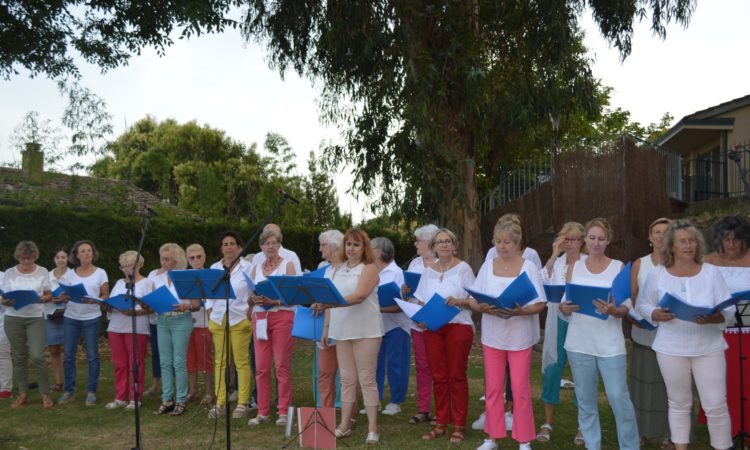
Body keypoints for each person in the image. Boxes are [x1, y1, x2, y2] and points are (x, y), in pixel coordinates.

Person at [637, 219, 734, 450]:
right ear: (671, 246)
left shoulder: (711, 273)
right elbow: (643, 304)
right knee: (679, 403)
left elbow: (728, 308)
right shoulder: (658, 274)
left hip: (709, 347)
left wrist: (715, 317)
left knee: (716, 404)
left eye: (692, 241)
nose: (688, 246)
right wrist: (656, 314)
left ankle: (722, 446)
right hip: (671, 348)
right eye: (682, 241)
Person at [560, 218, 639, 450]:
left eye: (601, 238)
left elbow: (626, 306)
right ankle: (592, 446)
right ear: (585, 239)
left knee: (618, 398)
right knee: (586, 402)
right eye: (592, 238)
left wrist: (615, 310)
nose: (595, 243)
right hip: (578, 342)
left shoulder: (619, 267)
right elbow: (566, 301)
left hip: (610, 344)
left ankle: (630, 446)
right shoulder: (574, 267)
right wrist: (564, 307)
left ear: (608, 241)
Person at [471, 218, 546, 450]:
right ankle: (492, 437)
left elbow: (540, 303)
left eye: (508, 242)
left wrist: (520, 311)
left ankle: (524, 439)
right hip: (492, 336)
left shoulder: (529, 267)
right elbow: (474, 299)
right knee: (493, 389)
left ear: (517, 243)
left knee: (520, 388)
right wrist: (481, 306)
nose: (502, 246)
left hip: (519, 337)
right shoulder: (487, 266)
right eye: (498, 242)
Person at [318, 228, 383, 445]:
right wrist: (327, 328)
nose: (351, 248)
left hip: (366, 330)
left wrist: (330, 302)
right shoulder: (336, 270)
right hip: (342, 330)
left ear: (364, 248)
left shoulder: (370, 269)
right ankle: (344, 425)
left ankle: (373, 428)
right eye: (348, 244)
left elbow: (360, 295)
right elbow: (329, 300)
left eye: (356, 245)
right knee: (346, 380)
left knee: (366, 379)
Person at [415, 228, 476, 444]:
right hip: (432, 328)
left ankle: (459, 425)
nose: (444, 245)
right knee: (439, 377)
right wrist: (419, 317)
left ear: (455, 244)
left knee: (456, 376)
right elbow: (420, 301)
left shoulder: (463, 269)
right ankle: (441, 422)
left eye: (448, 241)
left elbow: (474, 300)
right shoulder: (428, 271)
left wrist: (458, 301)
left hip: (458, 326)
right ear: (433, 246)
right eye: (439, 242)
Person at [536, 222, 587, 444]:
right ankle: (547, 422)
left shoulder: (588, 262)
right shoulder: (556, 263)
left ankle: (582, 425)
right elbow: (540, 282)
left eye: (575, 239)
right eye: (565, 239)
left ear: (582, 241)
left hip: (582, 321)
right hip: (557, 319)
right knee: (552, 368)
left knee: (581, 371)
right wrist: (554, 254)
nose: (570, 243)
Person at [704, 215, 750, 442]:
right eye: (726, 239)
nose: (731, 244)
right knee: (722, 382)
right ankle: (726, 432)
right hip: (718, 332)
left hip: (748, 333)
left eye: (736, 239)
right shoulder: (708, 261)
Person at [629, 218, 673, 449]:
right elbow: (631, 298)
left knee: (670, 385)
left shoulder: (680, 263)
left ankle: (669, 433)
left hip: (673, 336)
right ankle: (641, 431)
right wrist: (634, 318)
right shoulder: (640, 263)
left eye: (666, 232)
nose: (660, 236)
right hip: (645, 332)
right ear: (649, 236)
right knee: (643, 385)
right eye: (656, 232)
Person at [247, 228, 297, 426]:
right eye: (267, 243)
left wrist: (273, 301)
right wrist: (253, 299)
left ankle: (283, 411)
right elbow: (249, 298)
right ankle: (263, 411)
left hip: (282, 317)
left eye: (274, 242)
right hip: (259, 317)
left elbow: (293, 297)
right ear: (261, 247)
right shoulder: (256, 267)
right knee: (261, 367)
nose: (270, 246)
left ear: (279, 245)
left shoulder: (288, 265)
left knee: (281, 366)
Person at [1, 241, 54, 408]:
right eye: (23, 258)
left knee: (37, 355)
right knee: (19, 357)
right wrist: (7, 301)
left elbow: (48, 294)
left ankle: (45, 393)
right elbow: (3, 297)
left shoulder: (43, 271)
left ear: (35, 257)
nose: (26, 262)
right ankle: (23, 394)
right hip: (13, 318)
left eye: (30, 258)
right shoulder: (9, 272)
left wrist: (42, 298)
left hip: (35, 317)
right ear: (18, 257)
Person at [206, 231, 253, 419]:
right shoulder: (214, 267)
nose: (228, 247)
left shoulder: (248, 267)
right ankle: (220, 402)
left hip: (239, 317)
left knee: (241, 362)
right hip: (218, 318)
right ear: (221, 248)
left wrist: (250, 310)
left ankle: (242, 402)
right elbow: (207, 293)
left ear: (240, 247)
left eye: (232, 243)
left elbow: (254, 291)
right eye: (225, 244)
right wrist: (210, 312)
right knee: (220, 362)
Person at [58, 240, 109, 406]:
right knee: (68, 355)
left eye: (89, 250)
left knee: (93, 355)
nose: (87, 253)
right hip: (71, 317)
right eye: (83, 251)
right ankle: (69, 390)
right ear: (76, 255)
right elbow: (61, 295)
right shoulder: (69, 274)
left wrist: (95, 300)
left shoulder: (101, 272)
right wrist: (63, 297)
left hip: (91, 318)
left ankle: (91, 391)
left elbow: (105, 296)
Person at [150, 243, 198, 417]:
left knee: (178, 362)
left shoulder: (186, 277)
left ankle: (181, 399)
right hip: (162, 320)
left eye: (167, 259)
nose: (163, 262)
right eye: (162, 258)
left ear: (176, 260)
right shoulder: (157, 278)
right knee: (165, 362)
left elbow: (196, 305)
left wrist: (185, 306)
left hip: (181, 320)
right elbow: (154, 301)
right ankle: (167, 399)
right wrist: (148, 303)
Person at [105, 251, 152, 411]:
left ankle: (135, 398)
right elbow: (112, 302)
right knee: (120, 364)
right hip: (116, 326)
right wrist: (108, 305)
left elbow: (151, 308)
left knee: (135, 364)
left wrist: (134, 311)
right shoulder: (119, 283)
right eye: (122, 266)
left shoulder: (147, 283)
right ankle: (120, 397)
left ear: (138, 265)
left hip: (137, 328)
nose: (125, 269)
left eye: (129, 266)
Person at [404, 224, 439, 425]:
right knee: (422, 366)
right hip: (417, 322)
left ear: (428, 241)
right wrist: (405, 291)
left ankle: (441, 409)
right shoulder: (415, 264)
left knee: (439, 366)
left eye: (418, 240)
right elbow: (409, 294)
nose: (415, 243)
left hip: (436, 322)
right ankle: (423, 409)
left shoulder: (443, 263)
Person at [372, 236, 411, 416]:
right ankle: (375, 400)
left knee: (396, 364)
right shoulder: (370, 271)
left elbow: (401, 304)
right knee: (374, 364)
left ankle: (396, 401)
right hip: (375, 325)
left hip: (396, 326)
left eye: (370, 248)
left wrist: (377, 308)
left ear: (379, 252)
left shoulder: (397, 273)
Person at [315, 229, 344, 408]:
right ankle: (326, 411)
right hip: (327, 326)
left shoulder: (349, 269)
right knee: (325, 372)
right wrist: (318, 303)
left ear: (333, 247)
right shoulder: (325, 270)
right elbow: (325, 298)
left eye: (323, 245)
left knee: (347, 374)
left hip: (345, 326)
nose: (320, 249)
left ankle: (350, 414)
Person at [185, 244, 214, 405]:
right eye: (192, 257)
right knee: (190, 358)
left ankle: (209, 393)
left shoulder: (210, 275)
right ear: (187, 260)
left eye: (199, 256)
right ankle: (193, 390)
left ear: (204, 257)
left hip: (204, 321)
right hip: (187, 321)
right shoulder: (184, 275)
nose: (196, 260)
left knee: (205, 358)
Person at [46, 246, 70, 393]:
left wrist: (65, 298)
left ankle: (70, 382)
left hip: (69, 315)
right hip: (51, 315)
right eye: (58, 257)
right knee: (54, 350)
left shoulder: (74, 275)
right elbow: (40, 293)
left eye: (63, 257)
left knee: (69, 351)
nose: (60, 260)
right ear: (54, 259)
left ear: (68, 259)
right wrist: (51, 298)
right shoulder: (47, 276)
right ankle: (58, 382)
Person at [0, 269, 10, 399]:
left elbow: (7, 299)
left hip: (2, 320)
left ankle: (5, 388)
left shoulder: (3, 276)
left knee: (3, 354)